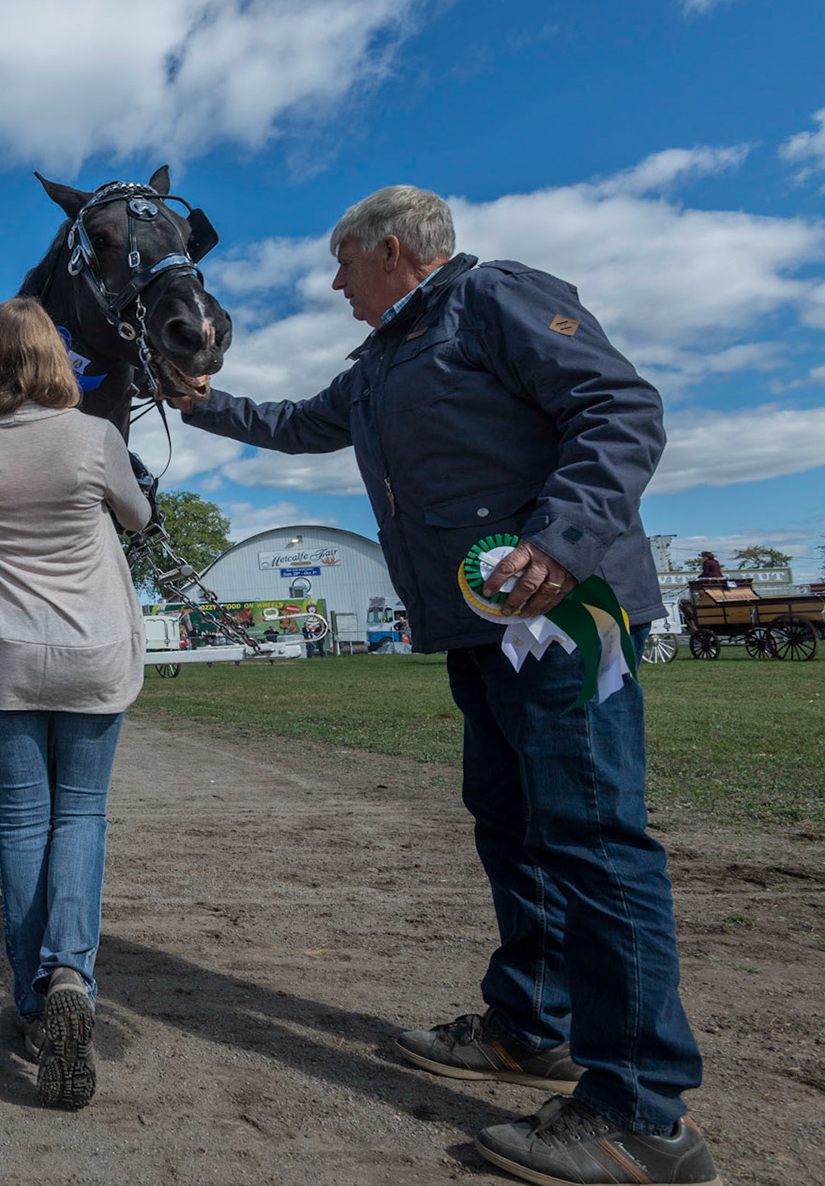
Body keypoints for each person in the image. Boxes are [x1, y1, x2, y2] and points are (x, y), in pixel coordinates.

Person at [166, 186, 715, 1186]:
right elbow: (297, 423)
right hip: (482, 634)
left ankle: (639, 1114)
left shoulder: (495, 298)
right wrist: (205, 408)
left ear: (388, 249)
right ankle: (526, 1026)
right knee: (512, 827)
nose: (333, 285)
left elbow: (621, 405)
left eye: (341, 264)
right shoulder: (381, 361)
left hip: (565, 615)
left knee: (594, 839)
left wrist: (560, 539)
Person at [0, 296, 151, 1111]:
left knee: (20, 817)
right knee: (81, 814)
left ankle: (32, 998)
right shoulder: (96, 439)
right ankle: (73, 975)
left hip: (4, 652)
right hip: (92, 649)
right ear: (56, 362)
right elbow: (134, 515)